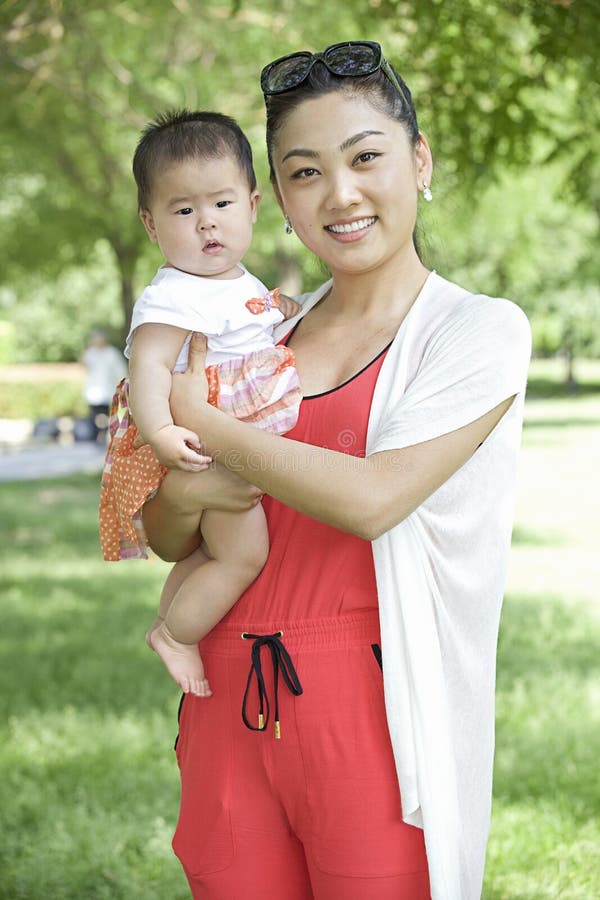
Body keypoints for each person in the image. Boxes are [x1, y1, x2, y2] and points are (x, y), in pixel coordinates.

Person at [142, 43, 532, 900]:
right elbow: (165, 533)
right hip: (227, 699)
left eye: (366, 157)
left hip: (371, 711)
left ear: (419, 162)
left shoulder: (476, 332)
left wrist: (201, 422)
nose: (340, 194)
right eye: (305, 171)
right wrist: (188, 487)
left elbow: (371, 499)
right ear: (277, 198)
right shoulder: (258, 335)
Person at [99, 110, 302, 697]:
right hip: (204, 446)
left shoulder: (237, 280)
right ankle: (176, 637)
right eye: (184, 211)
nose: (207, 224)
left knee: (210, 554)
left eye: (222, 204)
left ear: (254, 206)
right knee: (243, 556)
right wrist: (163, 433)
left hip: (228, 436)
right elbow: (149, 370)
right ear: (151, 223)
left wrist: (279, 311)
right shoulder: (172, 296)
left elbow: (252, 324)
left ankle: (172, 617)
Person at [81, 328, 127, 441]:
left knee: (106, 414)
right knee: (93, 415)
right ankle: (94, 436)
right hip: (93, 390)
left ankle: (104, 434)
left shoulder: (112, 353)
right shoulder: (90, 353)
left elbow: (120, 371)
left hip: (107, 389)